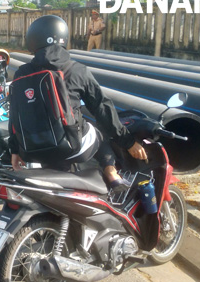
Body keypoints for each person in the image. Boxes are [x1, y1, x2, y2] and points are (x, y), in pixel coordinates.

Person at [10, 15, 148, 192]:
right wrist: (128, 142)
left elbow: (15, 115)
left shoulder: (21, 74)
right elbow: (102, 108)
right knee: (98, 130)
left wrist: (15, 150)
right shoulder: (76, 70)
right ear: (63, 38)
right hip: (69, 147)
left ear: (32, 40)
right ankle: (111, 172)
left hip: (31, 150)